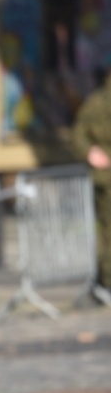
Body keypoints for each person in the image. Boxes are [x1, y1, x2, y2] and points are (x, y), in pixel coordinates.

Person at [71, 69, 111, 291]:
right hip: (107, 180)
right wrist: (91, 153)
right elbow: (79, 136)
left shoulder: (96, 100)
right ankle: (106, 281)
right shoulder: (99, 101)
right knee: (107, 232)